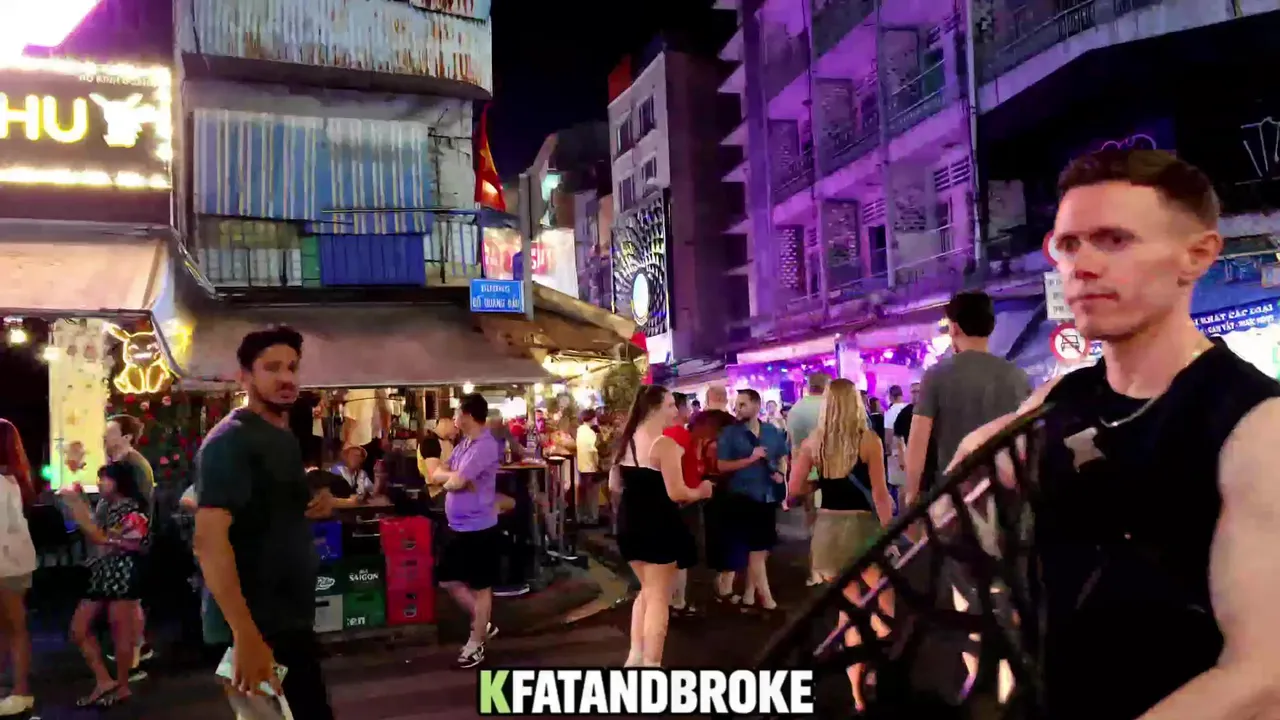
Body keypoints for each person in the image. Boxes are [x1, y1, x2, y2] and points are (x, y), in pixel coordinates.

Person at [946, 148, 1280, 720]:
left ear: (1197, 255)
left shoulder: (1256, 424)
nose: (1082, 265)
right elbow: (961, 520)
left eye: (1114, 240)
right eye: (1068, 245)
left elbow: (1262, 674)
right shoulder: (1060, 400)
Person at [193, 326, 335, 718]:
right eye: (272, 368)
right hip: (258, 628)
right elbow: (208, 542)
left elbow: (268, 510)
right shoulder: (231, 440)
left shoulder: (280, 435)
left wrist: (315, 503)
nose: (286, 378)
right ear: (245, 376)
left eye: (292, 367)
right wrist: (244, 634)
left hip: (287, 621)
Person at [611, 386, 713, 666]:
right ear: (654, 408)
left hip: (629, 524)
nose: (675, 411)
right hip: (658, 525)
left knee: (646, 591)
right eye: (670, 405)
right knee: (658, 598)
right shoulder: (664, 444)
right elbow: (677, 492)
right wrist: (702, 491)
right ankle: (652, 664)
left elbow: (614, 486)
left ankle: (635, 656)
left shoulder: (626, 441)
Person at [903, 291, 1031, 510]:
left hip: (955, 500)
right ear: (991, 326)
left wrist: (911, 495)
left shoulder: (936, 376)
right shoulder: (1018, 377)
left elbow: (918, 443)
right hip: (1009, 500)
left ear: (954, 328)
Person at [61, 463, 150, 707]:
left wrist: (77, 506)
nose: (100, 484)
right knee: (79, 629)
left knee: (121, 633)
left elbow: (101, 537)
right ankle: (105, 680)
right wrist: (81, 504)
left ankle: (121, 686)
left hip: (122, 573)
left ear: (120, 482)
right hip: (102, 572)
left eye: (105, 479)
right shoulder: (106, 506)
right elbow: (99, 535)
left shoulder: (132, 510)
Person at [787, 379, 893, 580]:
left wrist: (818, 484)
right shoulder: (869, 440)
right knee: (879, 584)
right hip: (862, 523)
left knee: (842, 589)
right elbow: (880, 493)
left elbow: (794, 488)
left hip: (827, 524)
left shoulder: (813, 442)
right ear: (856, 403)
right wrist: (888, 530)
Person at [428, 394, 503, 668]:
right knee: (447, 580)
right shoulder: (464, 444)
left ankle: (476, 642)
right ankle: (484, 623)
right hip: (457, 526)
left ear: (468, 415)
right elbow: (439, 473)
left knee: (482, 587)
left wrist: (453, 480)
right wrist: (453, 479)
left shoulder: (485, 446)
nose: (453, 417)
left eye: (457, 412)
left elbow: (453, 481)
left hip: (480, 527)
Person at [716, 389, 790, 611]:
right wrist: (750, 459)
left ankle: (750, 594)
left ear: (756, 406)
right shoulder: (730, 433)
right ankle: (766, 599)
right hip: (742, 496)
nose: (737, 409)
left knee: (762, 548)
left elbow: (782, 456)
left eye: (742, 404)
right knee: (756, 549)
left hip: (767, 495)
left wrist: (781, 474)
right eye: (736, 404)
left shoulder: (771, 431)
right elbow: (721, 466)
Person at [103, 414, 155, 673]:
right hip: (123, 542)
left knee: (129, 601)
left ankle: (132, 659)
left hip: (130, 543)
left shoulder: (134, 465)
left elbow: (139, 510)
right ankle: (134, 651)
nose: (104, 436)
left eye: (110, 432)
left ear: (127, 437)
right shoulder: (121, 463)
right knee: (128, 601)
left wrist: (118, 536)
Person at [0, 421, 35, 715]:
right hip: (13, 561)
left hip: (8, 563)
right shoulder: (13, 479)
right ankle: (13, 689)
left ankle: (21, 691)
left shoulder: (4, 482)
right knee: (9, 626)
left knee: (14, 626)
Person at [661, 393, 702, 616]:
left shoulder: (660, 435)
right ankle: (678, 602)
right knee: (682, 555)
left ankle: (669, 600)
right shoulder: (682, 436)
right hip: (684, 500)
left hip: (666, 500)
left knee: (669, 552)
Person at [883, 385, 909, 509]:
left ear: (890, 396)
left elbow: (889, 434)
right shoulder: (908, 408)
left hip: (896, 452)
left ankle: (904, 514)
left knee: (900, 486)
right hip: (910, 449)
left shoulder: (890, 412)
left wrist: (887, 450)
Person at [575, 409, 602, 525]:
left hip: (582, 466)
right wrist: (598, 465)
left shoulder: (580, 430)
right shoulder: (590, 433)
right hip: (591, 467)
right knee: (592, 495)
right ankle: (592, 518)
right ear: (592, 418)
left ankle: (582, 517)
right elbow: (594, 450)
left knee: (584, 495)